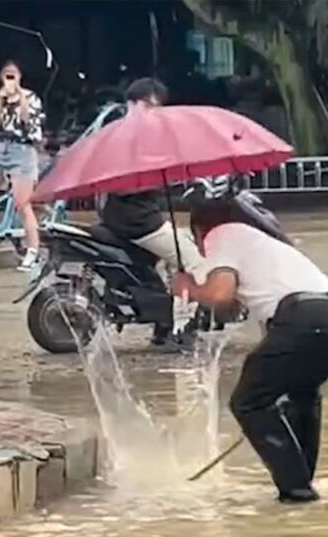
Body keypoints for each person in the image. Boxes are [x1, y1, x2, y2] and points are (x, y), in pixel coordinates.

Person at [173, 200, 328, 504]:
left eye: (195, 239)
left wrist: (187, 287)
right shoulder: (264, 243)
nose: (200, 248)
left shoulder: (220, 234)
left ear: (200, 229)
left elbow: (219, 295)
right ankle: (301, 484)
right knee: (302, 394)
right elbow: (246, 300)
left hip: (304, 320)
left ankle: (297, 491)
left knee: (249, 403)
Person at [98, 77, 206, 346]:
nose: (152, 113)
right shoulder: (131, 139)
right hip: (138, 221)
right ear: (133, 103)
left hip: (124, 216)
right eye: (149, 106)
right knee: (193, 261)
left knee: (177, 248)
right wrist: (158, 181)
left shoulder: (121, 133)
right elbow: (123, 185)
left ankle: (163, 320)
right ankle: (182, 330)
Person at [0, 59, 45, 271]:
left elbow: (26, 121)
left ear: (20, 77)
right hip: (1, 149)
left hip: (23, 151)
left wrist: (20, 96)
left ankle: (33, 251)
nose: (10, 78)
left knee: (22, 204)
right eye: (7, 74)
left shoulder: (32, 98)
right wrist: (2, 102)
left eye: (13, 74)